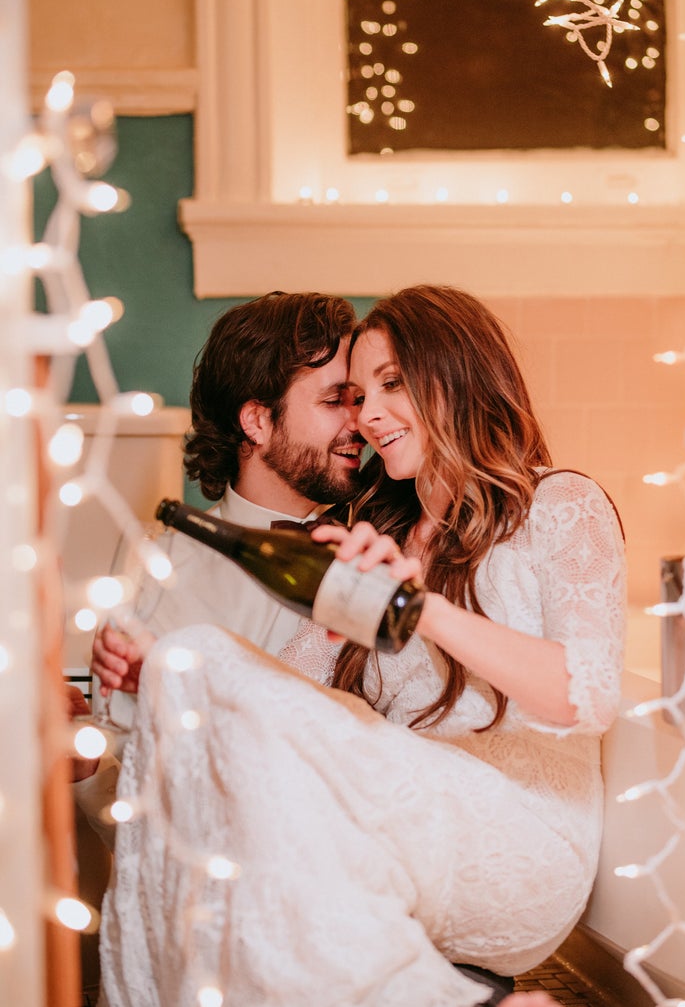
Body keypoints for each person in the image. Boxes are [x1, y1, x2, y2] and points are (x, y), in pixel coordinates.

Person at [98, 285, 626, 1007]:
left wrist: (420, 607)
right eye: (353, 393)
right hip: (401, 835)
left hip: (520, 840)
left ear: (456, 375)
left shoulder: (560, 504)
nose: (367, 416)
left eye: (391, 384)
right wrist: (160, 674)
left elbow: (586, 693)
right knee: (203, 666)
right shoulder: (381, 531)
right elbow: (276, 701)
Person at [75, 290, 363, 843]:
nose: (360, 422)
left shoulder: (380, 551)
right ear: (257, 420)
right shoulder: (152, 563)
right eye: (335, 401)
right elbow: (115, 774)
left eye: (359, 399)